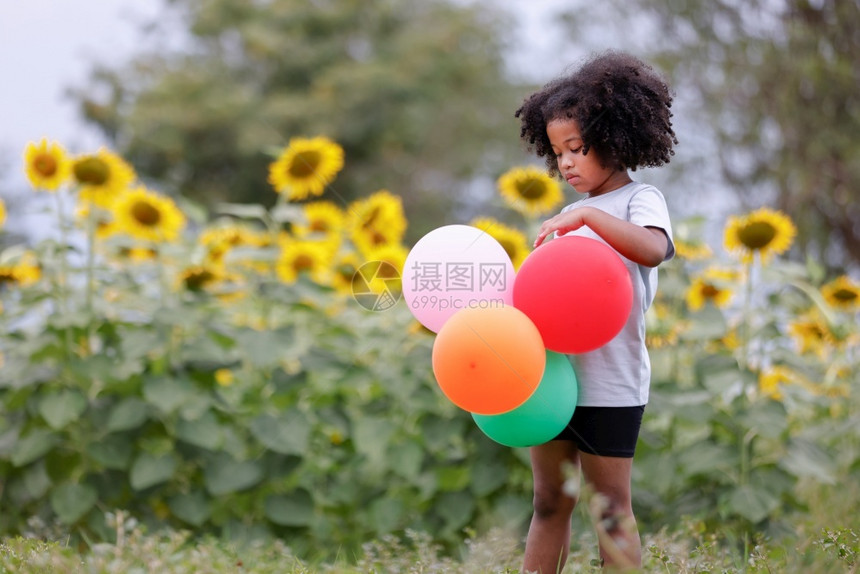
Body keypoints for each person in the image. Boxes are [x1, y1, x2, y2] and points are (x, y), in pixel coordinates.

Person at [514, 50, 677, 572]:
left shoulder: (639, 200)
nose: (565, 163)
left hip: (612, 381)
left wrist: (586, 216)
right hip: (553, 378)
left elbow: (653, 249)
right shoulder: (564, 215)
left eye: (577, 148)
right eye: (557, 151)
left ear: (614, 139)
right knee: (548, 502)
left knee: (609, 509)